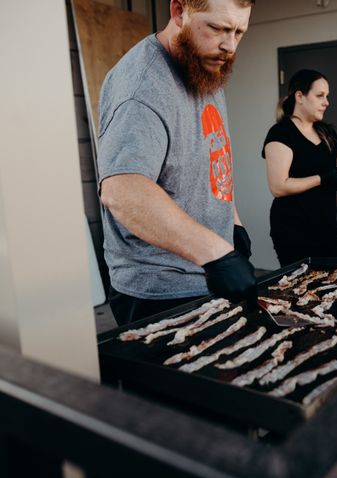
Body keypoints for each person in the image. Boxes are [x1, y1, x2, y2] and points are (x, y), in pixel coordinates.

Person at [98, 0, 257, 326]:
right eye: (218, 28)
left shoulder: (204, 65)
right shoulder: (143, 87)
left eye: (239, 31)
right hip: (159, 291)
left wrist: (233, 223)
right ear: (179, 10)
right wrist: (216, 252)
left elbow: (210, 159)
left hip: (206, 273)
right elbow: (122, 190)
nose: (229, 45)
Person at [262, 69, 337, 267]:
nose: (326, 102)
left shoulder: (327, 133)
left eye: (327, 96)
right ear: (300, 96)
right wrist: (323, 178)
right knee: (304, 288)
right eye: (320, 95)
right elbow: (279, 186)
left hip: (327, 225)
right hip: (293, 228)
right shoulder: (281, 133)